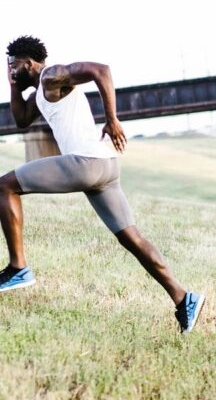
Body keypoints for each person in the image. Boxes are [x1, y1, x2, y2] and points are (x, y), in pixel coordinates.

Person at [0, 35, 204, 334]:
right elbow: (20, 121)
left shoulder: (51, 75)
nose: (11, 70)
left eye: (14, 66)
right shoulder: (38, 94)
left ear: (29, 63)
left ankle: (18, 269)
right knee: (131, 238)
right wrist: (12, 84)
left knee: (4, 186)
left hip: (86, 163)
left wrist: (112, 119)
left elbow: (101, 70)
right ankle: (183, 297)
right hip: (105, 168)